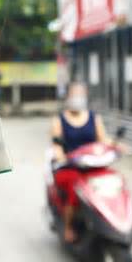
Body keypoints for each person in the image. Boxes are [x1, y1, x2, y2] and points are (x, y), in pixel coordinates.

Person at [50, 81, 122, 243]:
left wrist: (117, 146)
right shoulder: (59, 120)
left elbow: (104, 140)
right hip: (69, 167)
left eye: (81, 94)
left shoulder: (94, 118)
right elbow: (56, 146)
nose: (78, 98)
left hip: (92, 165)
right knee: (76, 185)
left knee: (114, 178)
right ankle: (69, 226)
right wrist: (61, 156)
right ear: (68, 96)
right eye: (75, 94)